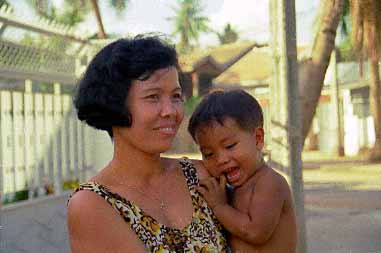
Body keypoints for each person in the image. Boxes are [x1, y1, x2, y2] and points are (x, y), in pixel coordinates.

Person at [67, 35, 228, 253]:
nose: (170, 111)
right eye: (153, 97)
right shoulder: (94, 205)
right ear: (114, 105)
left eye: (176, 96)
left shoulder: (199, 177)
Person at [188, 89, 297, 253]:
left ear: (258, 138)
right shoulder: (230, 191)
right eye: (208, 154)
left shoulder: (270, 183)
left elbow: (255, 232)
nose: (221, 159)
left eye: (230, 146)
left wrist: (219, 206)